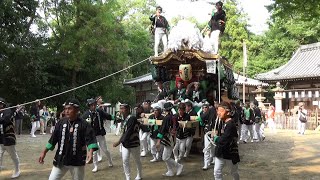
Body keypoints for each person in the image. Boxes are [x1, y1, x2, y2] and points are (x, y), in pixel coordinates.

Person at [38, 99, 98, 180]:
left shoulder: (84, 124)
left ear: (77, 110)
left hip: (77, 160)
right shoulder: (60, 123)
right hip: (61, 159)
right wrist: (44, 152)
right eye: (65, 109)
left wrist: (90, 152)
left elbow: (90, 139)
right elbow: (53, 139)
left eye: (69, 109)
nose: (67, 111)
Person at [82, 98, 113, 173]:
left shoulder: (99, 111)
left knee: (105, 150)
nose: (93, 106)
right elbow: (82, 124)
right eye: (91, 105)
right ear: (89, 106)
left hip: (100, 134)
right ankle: (95, 166)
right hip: (92, 136)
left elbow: (107, 116)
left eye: (94, 105)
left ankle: (110, 160)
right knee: (94, 152)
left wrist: (115, 117)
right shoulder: (85, 115)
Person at [113, 103, 142, 180]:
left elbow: (128, 132)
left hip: (134, 143)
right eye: (120, 109)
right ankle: (128, 177)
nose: (121, 110)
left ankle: (139, 175)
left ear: (128, 109)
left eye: (123, 108)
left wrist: (118, 142)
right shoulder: (124, 119)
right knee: (125, 161)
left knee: (137, 161)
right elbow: (123, 132)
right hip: (125, 144)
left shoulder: (132, 118)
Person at [213, 102, 240, 180]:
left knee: (233, 172)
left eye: (221, 111)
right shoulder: (223, 122)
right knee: (217, 172)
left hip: (229, 153)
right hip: (221, 152)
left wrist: (217, 138)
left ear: (228, 112)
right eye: (218, 111)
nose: (218, 113)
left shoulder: (230, 125)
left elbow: (225, 139)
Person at [156, 102, 184, 177]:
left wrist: (158, 141)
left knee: (165, 157)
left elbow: (162, 130)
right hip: (172, 138)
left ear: (165, 109)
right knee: (166, 157)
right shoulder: (174, 117)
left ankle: (178, 166)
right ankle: (170, 171)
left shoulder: (166, 118)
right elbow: (179, 126)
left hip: (168, 139)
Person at [0, 97, 20, 178]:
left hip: (8, 137)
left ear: (3, 104)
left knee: (13, 155)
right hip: (1, 137)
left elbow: (4, 120)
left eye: (0, 104)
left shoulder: (8, 111)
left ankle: (17, 170)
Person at [199, 101, 217, 170]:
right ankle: (206, 163)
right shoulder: (203, 113)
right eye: (203, 108)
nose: (205, 109)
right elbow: (202, 121)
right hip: (207, 132)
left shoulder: (213, 111)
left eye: (206, 107)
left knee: (212, 147)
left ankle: (213, 159)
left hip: (214, 131)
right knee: (207, 148)